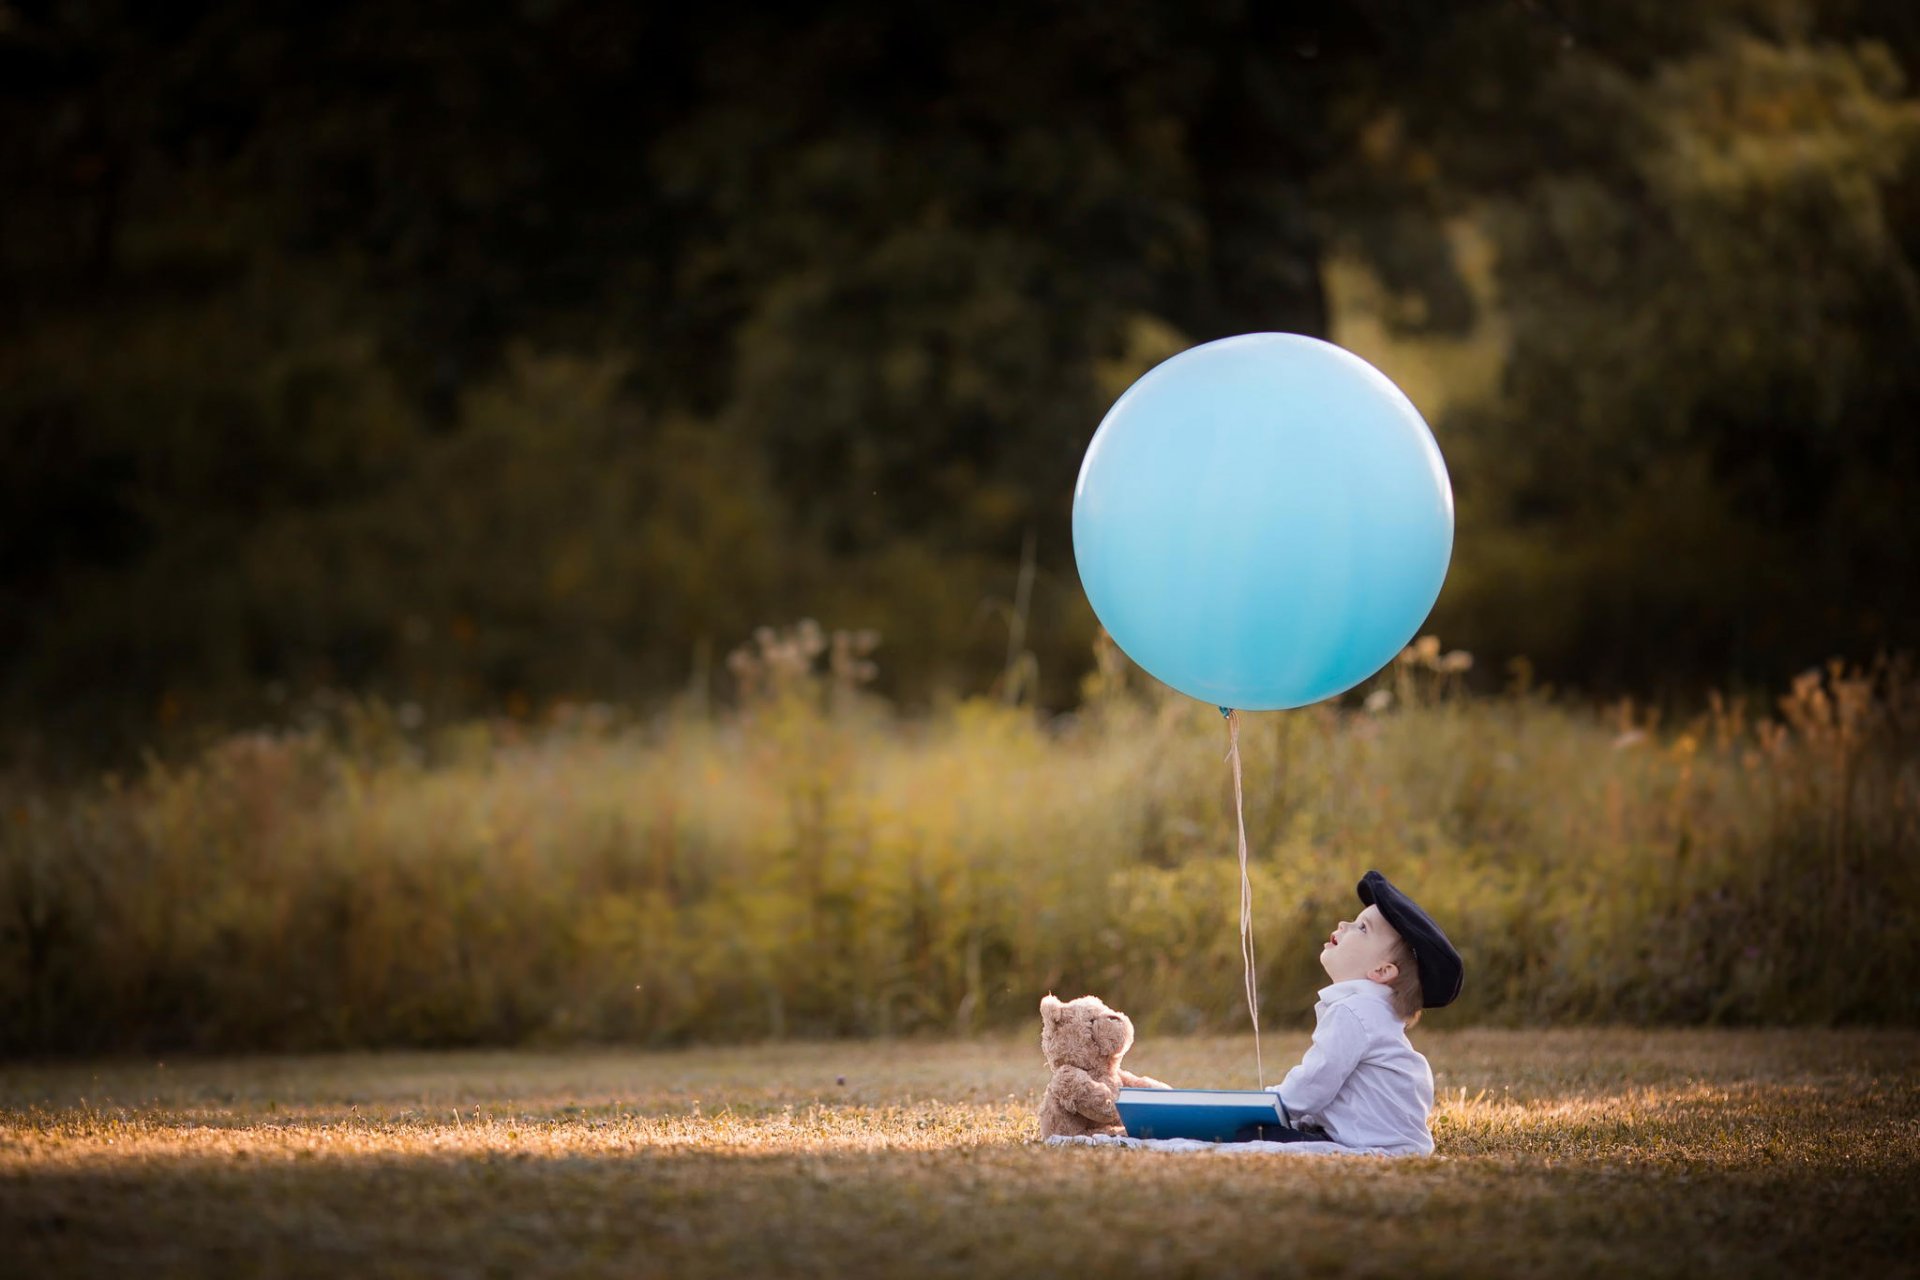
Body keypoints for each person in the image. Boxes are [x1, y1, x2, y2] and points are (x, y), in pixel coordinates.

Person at [1238, 869, 1463, 1155]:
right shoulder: (1373, 1012)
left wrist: (1265, 1104)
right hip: (1388, 1142)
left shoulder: (1355, 1011)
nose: (1344, 924)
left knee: (1249, 1136)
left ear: (1382, 971)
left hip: (1369, 1145)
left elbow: (1313, 1084)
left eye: (1362, 927)